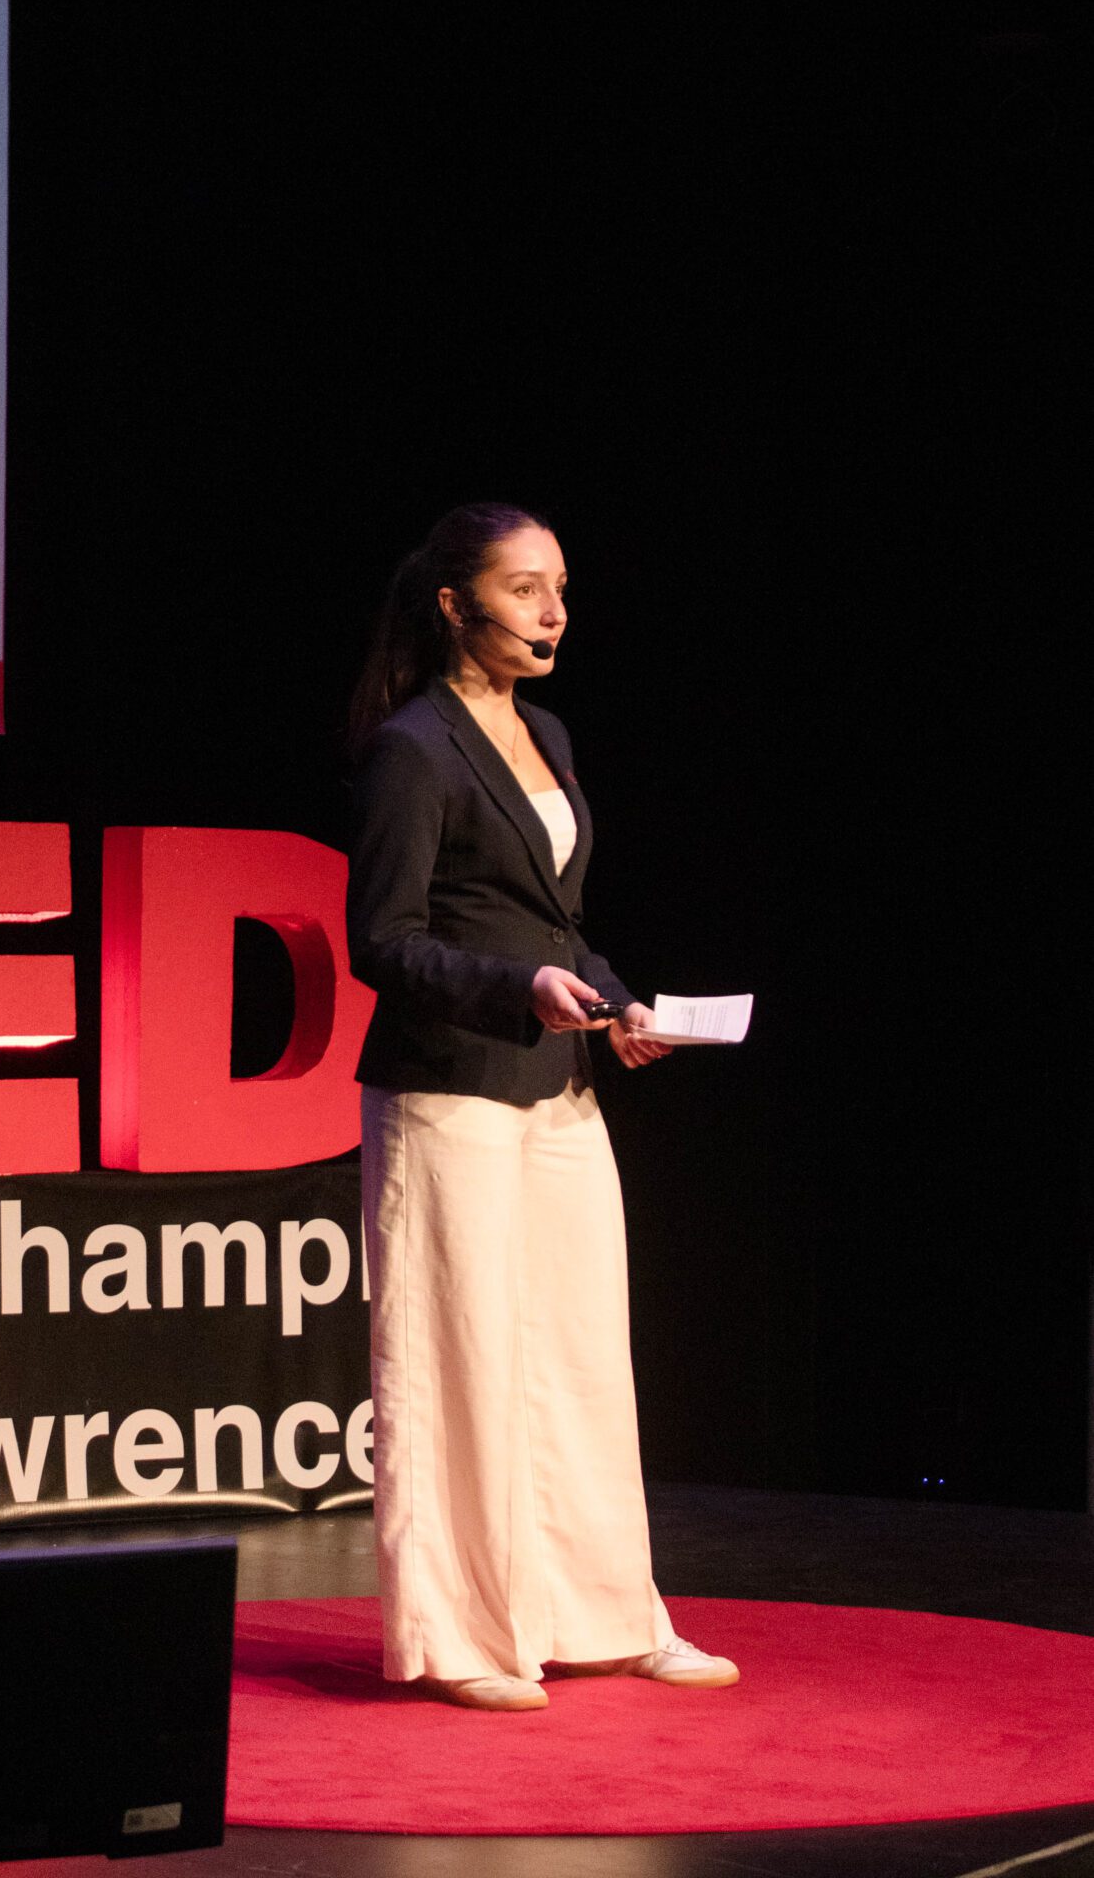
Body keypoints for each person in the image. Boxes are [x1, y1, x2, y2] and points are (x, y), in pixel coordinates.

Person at [345, 501, 739, 1712]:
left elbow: (551, 924)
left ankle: (606, 1618)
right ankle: (461, 1636)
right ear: (456, 604)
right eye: (523, 589)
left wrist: (619, 1004)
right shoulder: (413, 747)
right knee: (458, 1360)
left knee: (577, 1354)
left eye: (558, 586)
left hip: (555, 1088)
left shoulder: (548, 731)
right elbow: (383, 939)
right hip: (448, 1088)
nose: (552, 611)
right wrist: (522, 989)